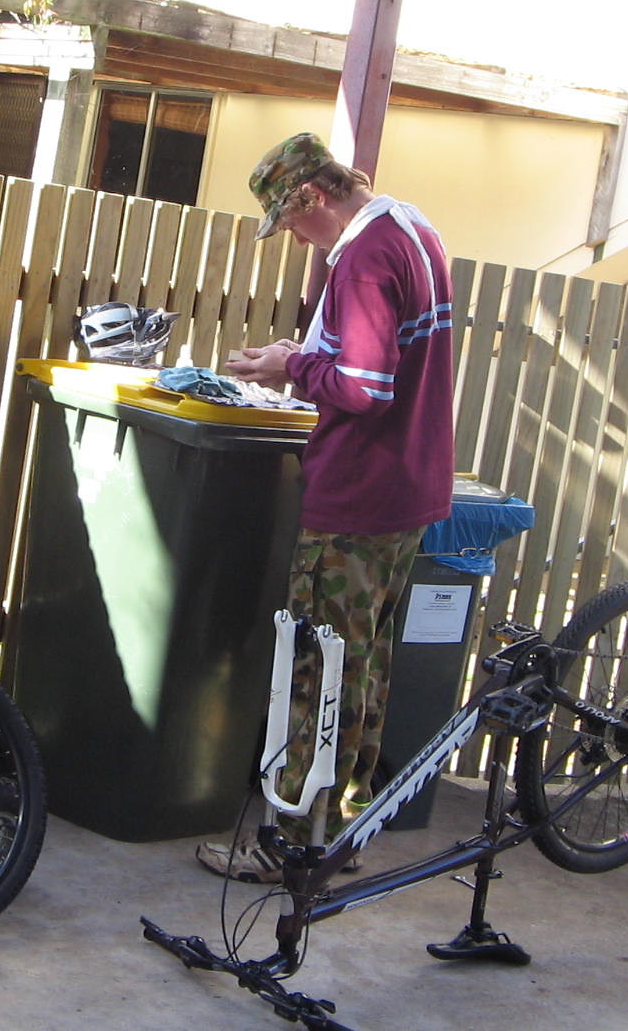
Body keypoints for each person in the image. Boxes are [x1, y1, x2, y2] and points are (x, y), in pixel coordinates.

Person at [196, 131, 457, 884]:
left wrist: (290, 363)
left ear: (312, 197)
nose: (295, 239)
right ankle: (342, 830)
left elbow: (366, 390)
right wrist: (310, 352)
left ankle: (289, 847)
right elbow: (383, 362)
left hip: (357, 497)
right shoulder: (414, 229)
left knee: (316, 668)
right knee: (365, 662)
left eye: (291, 220)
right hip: (408, 491)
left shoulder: (366, 256)